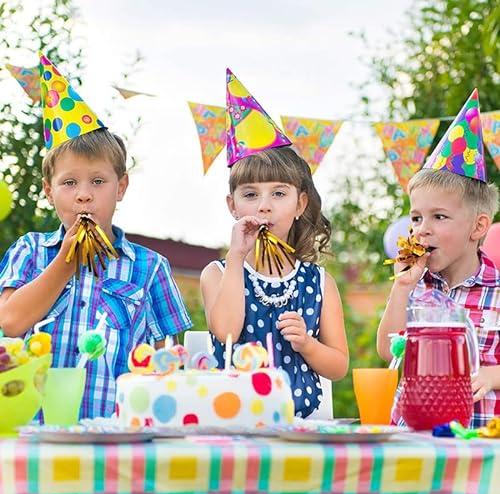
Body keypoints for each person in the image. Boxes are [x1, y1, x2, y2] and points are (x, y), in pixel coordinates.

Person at [0, 53, 192, 419]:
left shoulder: (151, 268)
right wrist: (66, 260)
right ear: (48, 191)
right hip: (33, 431)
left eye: (98, 182)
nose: (83, 194)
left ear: (121, 187)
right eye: (69, 183)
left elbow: (170, 363)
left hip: (116, 435)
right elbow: (11, 321)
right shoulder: (30, 251)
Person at [200, 69, 348, 418]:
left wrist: (308, 345)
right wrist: (236, 257)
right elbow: (226, 332)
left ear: (299, 205)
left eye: (278, 194)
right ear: (232, 206)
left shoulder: (318, 283)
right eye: (250, 194)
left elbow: (338, 366)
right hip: (234, 423)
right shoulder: (217, 273)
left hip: (303, 425)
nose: (264, 205)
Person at [377, 89, 500, 428]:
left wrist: (492, 374)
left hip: (481, 445)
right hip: (416, 439)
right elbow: (389, 352)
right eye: (416, 218)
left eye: (439, 217)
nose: (421, 230)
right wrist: (401, 287)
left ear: (478, 226)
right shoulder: (414, 289)